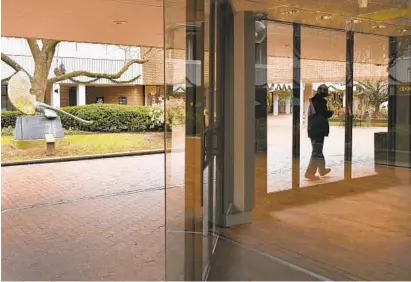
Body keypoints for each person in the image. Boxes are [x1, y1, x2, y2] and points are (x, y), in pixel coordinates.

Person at [305, 84, 334, 180]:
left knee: (318, 150)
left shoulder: (313, 101)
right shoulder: (320, 102)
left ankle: (322, 170)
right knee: (316, 151)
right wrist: (331, 113)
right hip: (318, 131)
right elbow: (323, 115)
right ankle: (310, 173)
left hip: (313, 130)